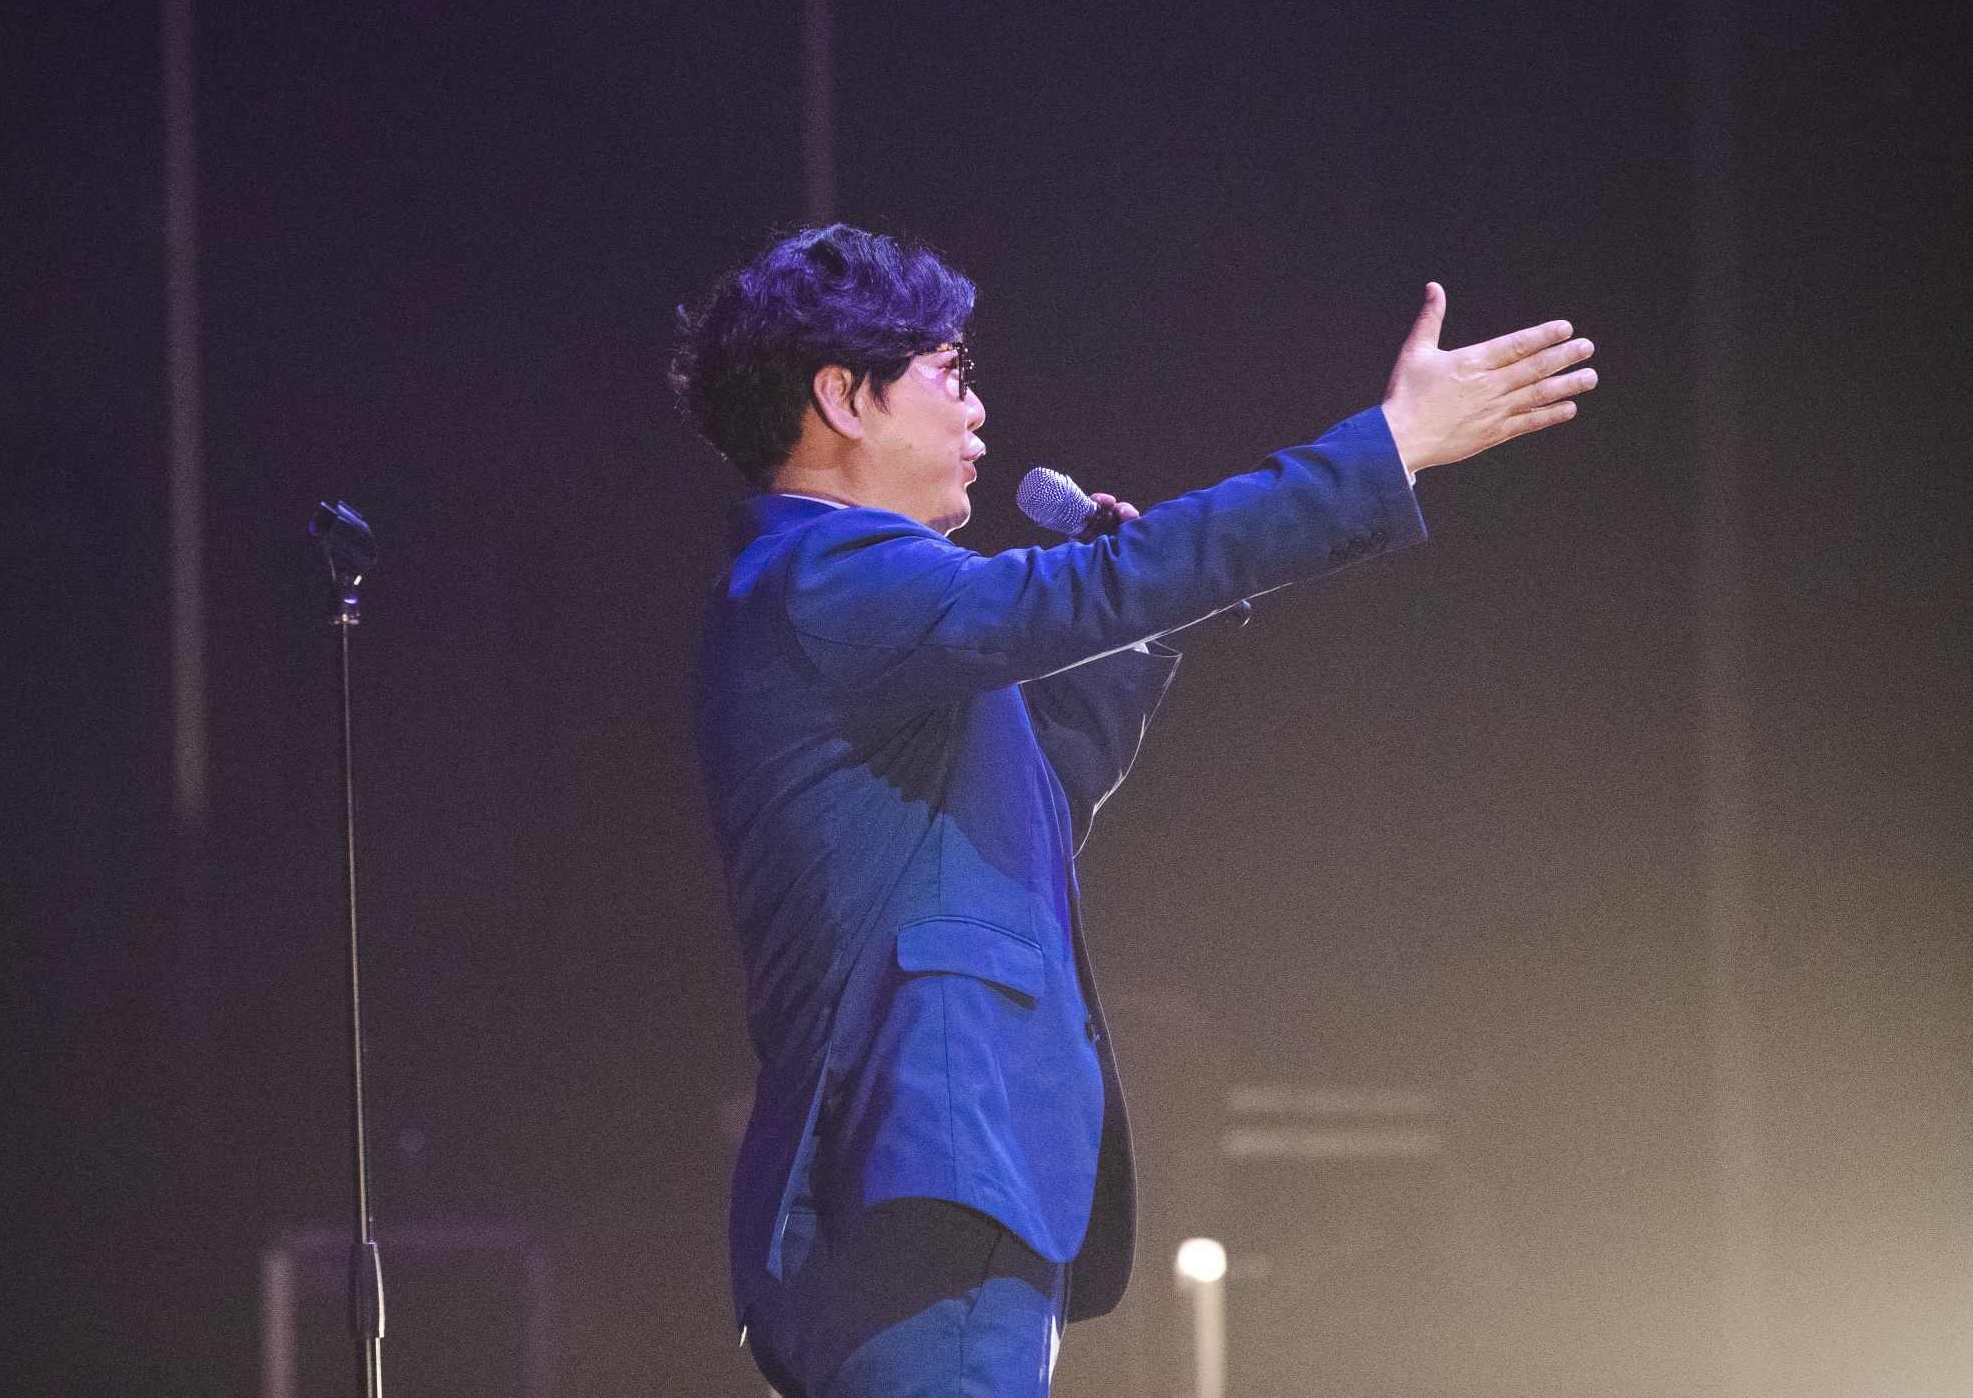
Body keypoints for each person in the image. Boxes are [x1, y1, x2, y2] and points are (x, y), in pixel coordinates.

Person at [671, 227, 1594, 1398]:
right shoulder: (825, 577)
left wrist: (1137, 634)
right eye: (949, 373)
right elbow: (1094, 586)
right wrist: (1389, 445)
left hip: (931, 1179)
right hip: (927, 1159)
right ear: (842, 397)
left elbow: (1031, 799)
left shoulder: (838, 607)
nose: (977, 412)